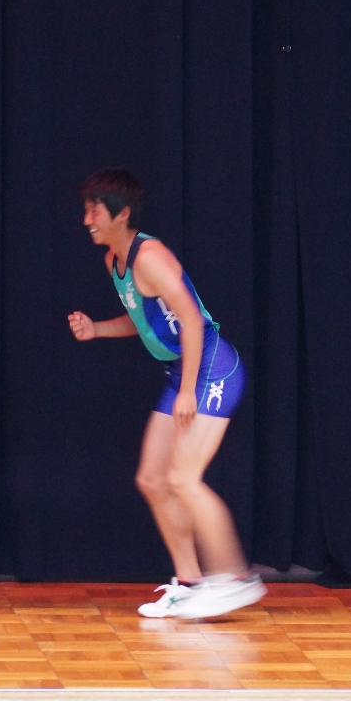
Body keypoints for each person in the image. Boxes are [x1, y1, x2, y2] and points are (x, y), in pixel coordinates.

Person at [68, 168, 264, 620]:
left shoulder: (149, 256)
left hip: (212, 369)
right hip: (183, 373)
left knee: (184, 480)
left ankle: (236, 578)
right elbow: (144, 323)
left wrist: (190, 390)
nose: (87, 220)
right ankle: (191, 582)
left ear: (121, 213)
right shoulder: (114, 263)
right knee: (153, 479)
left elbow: (192, 320)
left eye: (93, 211)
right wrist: (96, 329)